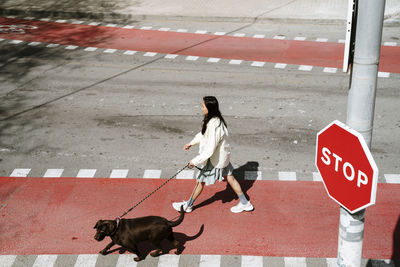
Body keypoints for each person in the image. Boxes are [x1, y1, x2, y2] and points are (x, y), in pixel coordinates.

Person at [172, 96, 254, 213]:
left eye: (203, 106)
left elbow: (210, 149)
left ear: (209, 108)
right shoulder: (213, 120)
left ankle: (188, 206)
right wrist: (191, 143)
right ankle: (245, 203)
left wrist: (194, 161)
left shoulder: (214, 124)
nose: (201, 108)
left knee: (200, 181)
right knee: (230, 178)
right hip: (221, 157)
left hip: (215, 159)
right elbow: (203, 134)